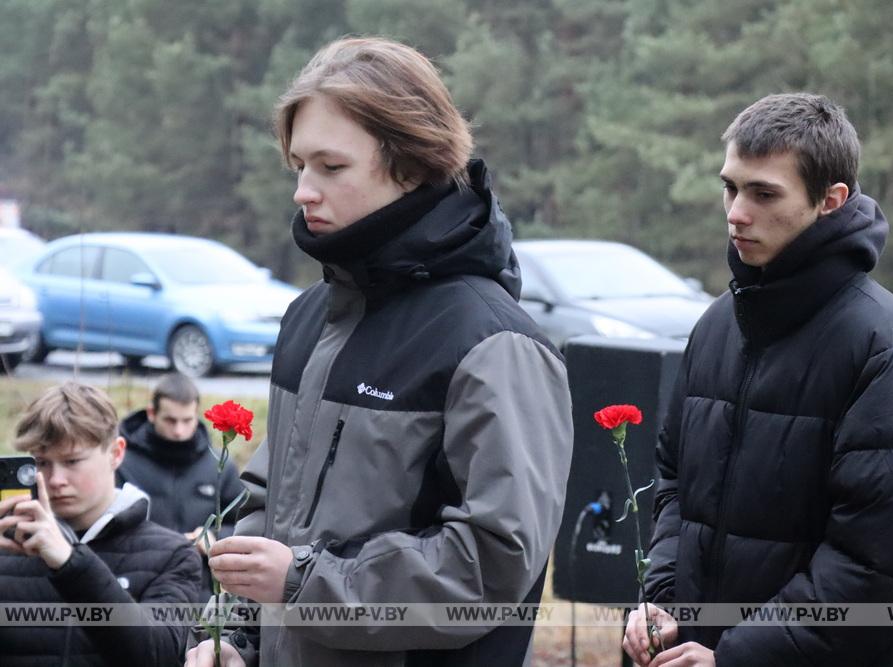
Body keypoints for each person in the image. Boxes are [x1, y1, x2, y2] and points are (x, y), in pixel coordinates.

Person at [185, 37, 573, 667]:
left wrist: (303, 585)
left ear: (413, 166)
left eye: (331, 168)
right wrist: (234, 637)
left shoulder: (495, 344)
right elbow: (265, 508)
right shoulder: (311, 316)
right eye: (299, 166)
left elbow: (496, 564)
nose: (303, 192)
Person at [623, 93, 893, 666]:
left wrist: (735, 657)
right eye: (730, 188)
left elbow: (876, 569)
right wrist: (663, 602)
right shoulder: (717, 325)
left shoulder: (890, 352)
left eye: (763, 193)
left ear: (830, 202)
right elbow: (675, 486)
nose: (736, 211)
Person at [0, 381, 202, 666]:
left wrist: (71, 563)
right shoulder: (8, 545)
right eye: (42, 463)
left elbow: (158, 657)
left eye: (72, 461)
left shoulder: (174, 555)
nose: (56, 479)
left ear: (116, 453)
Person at [117, 373, 244, 601]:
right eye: (170, 420)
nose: (179, 431)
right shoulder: (121, 461)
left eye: (187, 421)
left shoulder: (219, 466)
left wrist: (214, 537)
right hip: (135, 587)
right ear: (151, 414)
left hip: (198, 591)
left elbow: (245, 523)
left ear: (197, 416)